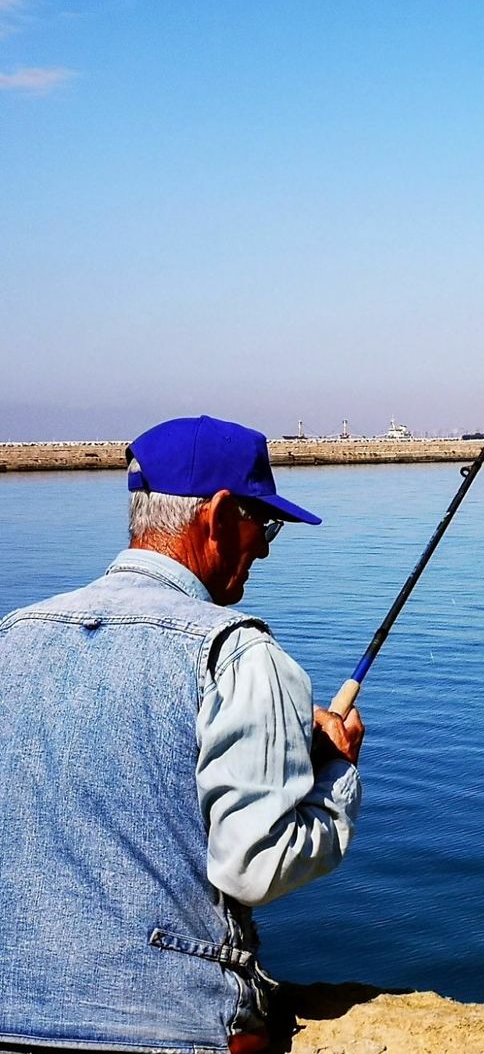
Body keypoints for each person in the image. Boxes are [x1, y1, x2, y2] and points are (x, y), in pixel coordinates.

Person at [0, 415, 365, 1053]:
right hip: (173, 1027)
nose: (268, 547)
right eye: (265, 523)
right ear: (220, 516)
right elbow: (257, 868)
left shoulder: (13, 637)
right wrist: (332, 771)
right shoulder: (239, 654)